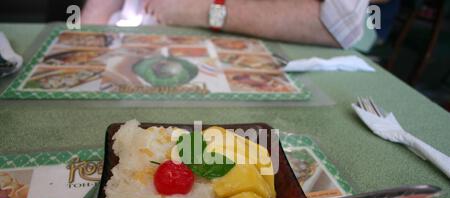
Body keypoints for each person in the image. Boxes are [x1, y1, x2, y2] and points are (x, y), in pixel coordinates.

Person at [82, 0, 376, 49]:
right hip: (124, 37)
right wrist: (83, 33)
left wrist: (204, 10)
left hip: (253, 59)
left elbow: (338, 25)